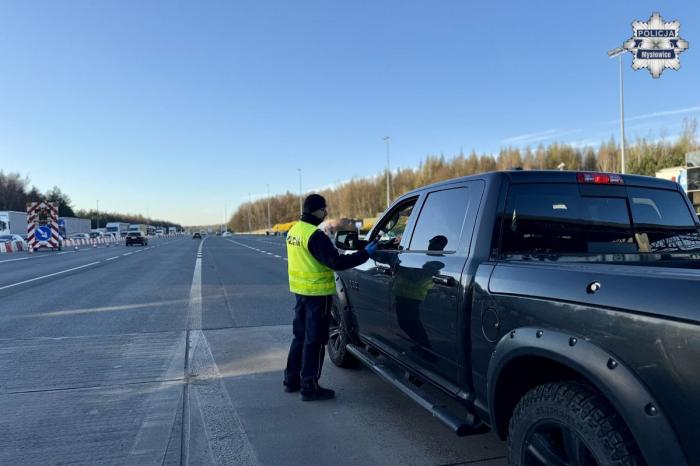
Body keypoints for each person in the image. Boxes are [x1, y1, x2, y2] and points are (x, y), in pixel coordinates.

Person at [284, 194, 377, 401]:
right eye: (323, 209)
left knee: (300, 336)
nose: (326, 213)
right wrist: (365, 254)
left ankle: (291, 380)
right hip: (317, 295)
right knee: (315, 340)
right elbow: (336, 262)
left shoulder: (294, 231)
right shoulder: (315, 235)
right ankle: (310, 387)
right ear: (316, 211)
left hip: (300, 292)